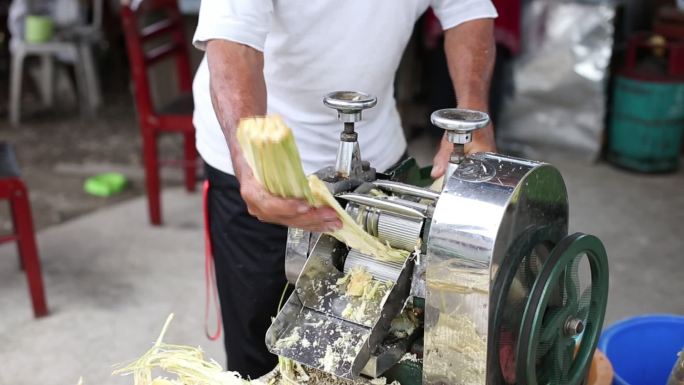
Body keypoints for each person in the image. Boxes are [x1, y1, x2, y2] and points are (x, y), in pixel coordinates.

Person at [192, 1, 498, 379]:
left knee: (390, 341)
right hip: (264, 173)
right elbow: (233, 43)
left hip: (378, 157)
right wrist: (250, 160)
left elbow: (467, 10)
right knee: (261, 348)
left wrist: (473, 114)